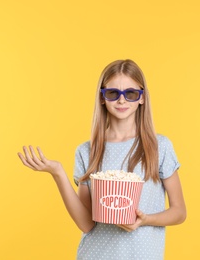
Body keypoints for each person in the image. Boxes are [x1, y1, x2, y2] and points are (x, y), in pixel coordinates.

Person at [18, 59, 186, 260]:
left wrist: (146, 219)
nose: (121, 101)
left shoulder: (159, 147)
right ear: (102, 98)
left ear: (142, 98)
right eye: (113, 93)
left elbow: (179, 212)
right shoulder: (87, 151)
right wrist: (58, 173)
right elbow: (86, 223)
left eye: (130, 94)